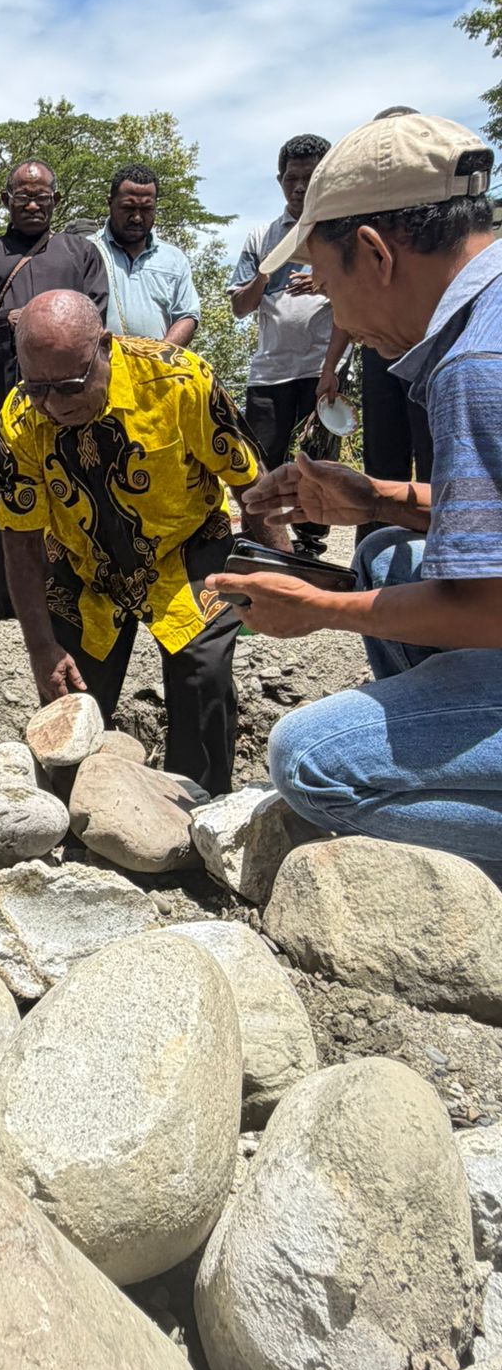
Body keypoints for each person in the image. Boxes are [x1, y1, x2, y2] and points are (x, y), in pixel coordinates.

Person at [208, 112, 501, 873]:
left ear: (374, 252)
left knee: (308, 761)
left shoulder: (475, 363)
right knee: (386, 552)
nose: (335, 315)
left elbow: (488, 608)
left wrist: (317, 609)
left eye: (329, 287)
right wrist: (373, 501)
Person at [0, 291, 282, 795]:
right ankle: (72, 812)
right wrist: (39, 646)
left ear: (104, 347)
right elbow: (19, 541)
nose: (53, 404)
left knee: (202, 674)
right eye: (38, 387)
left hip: (186, 552)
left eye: (69, 386)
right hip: (85, 566)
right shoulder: (21, 416)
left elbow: (250, 481)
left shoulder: (180, 381)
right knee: (70, 695)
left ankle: (200, 806)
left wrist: (283, 573)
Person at [0, 161, 110, 623]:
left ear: (56, 200)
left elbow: (95, 315)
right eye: (23, 197)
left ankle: (69, 589)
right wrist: (9, 321)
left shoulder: (81, 253)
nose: (33, 204)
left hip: (68, 389)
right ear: (7, 201)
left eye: (42, 197)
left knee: (72, 480)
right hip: (0, 384)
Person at [316, 107, 434, 544]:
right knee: (382, 455)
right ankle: (375, 548)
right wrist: (330, 367)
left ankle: (434, 547)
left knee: (435, 452)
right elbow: (350, 308)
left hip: (423, 349)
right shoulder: (354, 216)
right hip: (380, 354)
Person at [228, 135, 337, 558]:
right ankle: (264, 541)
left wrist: (323, 280)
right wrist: (265, 271)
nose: (299, 187)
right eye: (292, 178)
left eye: (310, 177)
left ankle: (310, 546)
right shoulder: (262, 236)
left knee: (316, 463)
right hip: (269, 371)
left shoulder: (337, 232)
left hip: (321, 368)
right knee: (259, 461)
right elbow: (239, 307)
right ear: (279, 180)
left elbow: (361, 294)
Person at [90, 164, 201, 343]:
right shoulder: (87, 251)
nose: (137, 218)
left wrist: (159, 354)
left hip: (158, 360)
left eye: (146, 209)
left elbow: (186, 316)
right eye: (128, 208)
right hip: (99, 359)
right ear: (110, 204)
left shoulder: (174, 259)